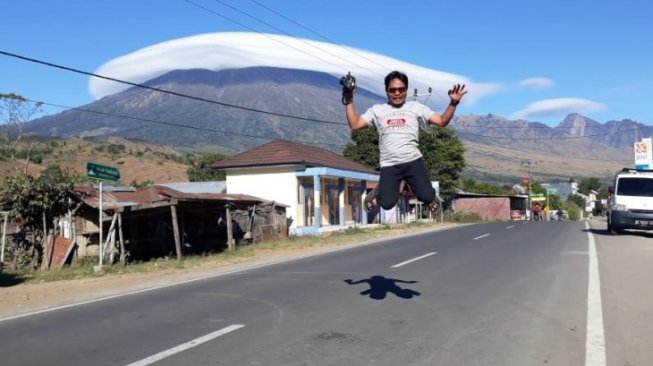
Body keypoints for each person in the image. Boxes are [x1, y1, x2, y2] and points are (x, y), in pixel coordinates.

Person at [342, 70, 467, 212]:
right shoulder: (377, 110)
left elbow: (442, 121)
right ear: (386, 91)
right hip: (390, 164)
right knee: (388, 203)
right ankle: (378, 193)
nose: (397, 93)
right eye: (393, 90)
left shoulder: (416, 107)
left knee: (426, 196)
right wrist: (348, 98)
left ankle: (427, 194)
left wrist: (453, 102)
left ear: (406, 91)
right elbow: (355, 124)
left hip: (413, 161)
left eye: (401, 89)